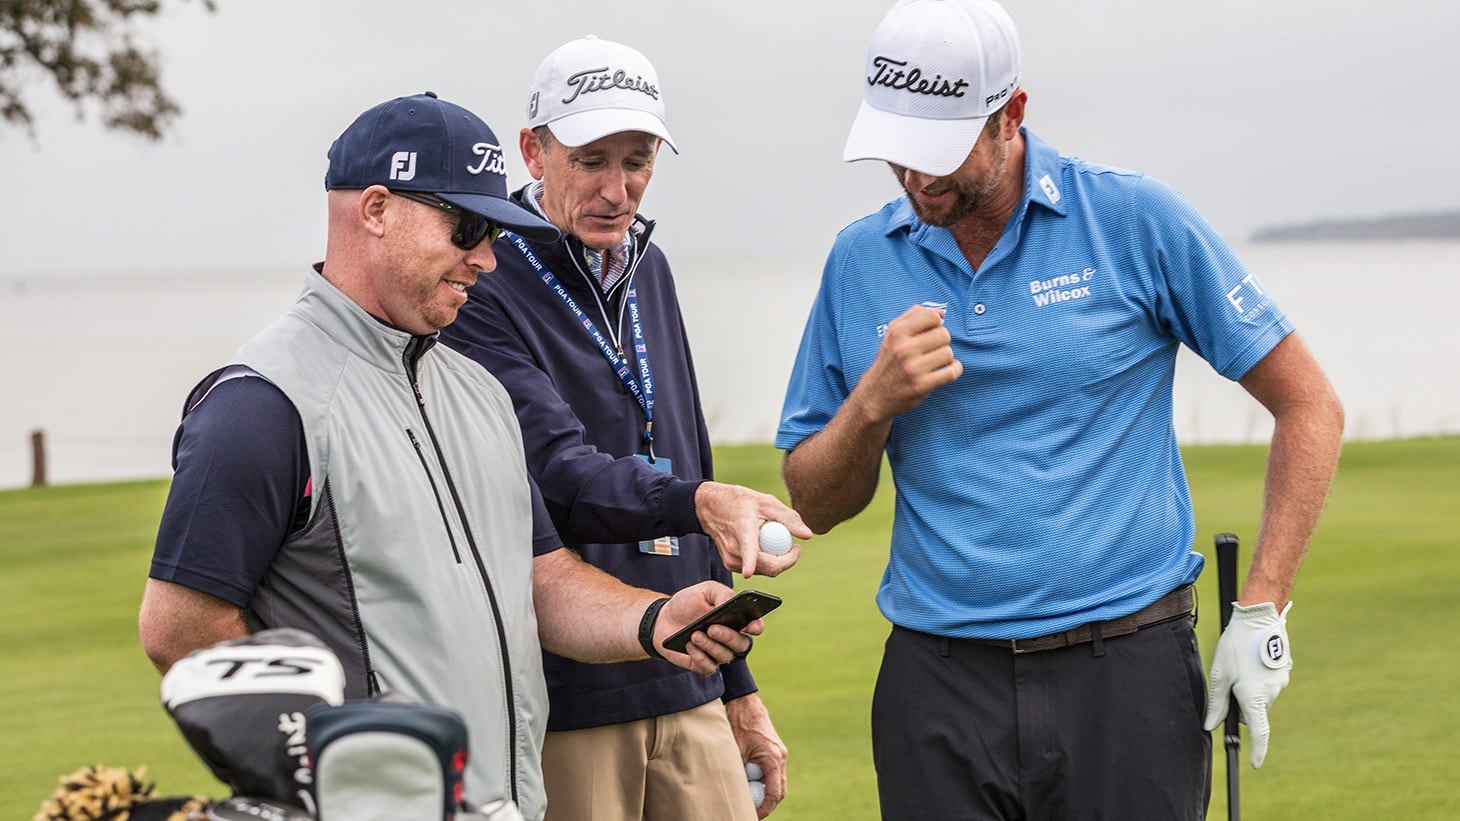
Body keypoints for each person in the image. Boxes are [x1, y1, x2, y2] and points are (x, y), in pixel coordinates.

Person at [775, 1, 1345, 818]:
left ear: (1012, 115)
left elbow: (1309, 404)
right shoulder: (860, 257)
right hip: (936, 684)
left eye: (939, 152)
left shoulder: (1133, 219)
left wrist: (1263, 604)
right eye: (897, 151)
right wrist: (871, 402)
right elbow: (813, 501)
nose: (915, 177)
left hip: (1129, 675)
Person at [137, 91, 764, 821]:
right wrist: (330, 776)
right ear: (375, 209)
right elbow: (178, 628)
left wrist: (653, 619)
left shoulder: (478, 391)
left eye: (494, 232)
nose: (487, 259)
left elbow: (542, 578)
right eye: (467, 227)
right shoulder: (261, 405)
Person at [437, 37, 807, 821]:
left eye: (637, 160)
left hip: (690, 676)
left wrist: (737, 690)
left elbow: (684, 452)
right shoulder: (485, 278)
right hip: (572, 695)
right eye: (592, 160)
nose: (618, 188)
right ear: (534, 152)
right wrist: (701, 500)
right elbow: (559, 477)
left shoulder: (650, 266)